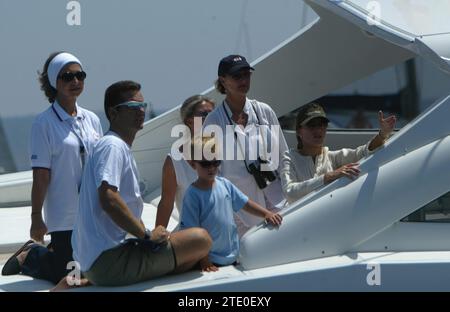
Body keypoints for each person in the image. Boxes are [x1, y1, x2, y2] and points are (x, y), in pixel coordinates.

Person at [71, 80, 212, 287]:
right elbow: (108, 198)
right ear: (114, 113)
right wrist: (146, 235)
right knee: (201, 240)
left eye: (142, 106)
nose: (141, 111)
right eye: (133, 107)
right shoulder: (113, 146)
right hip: (109, 262)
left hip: (98, 260)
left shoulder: (112, 145)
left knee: (190, 249)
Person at [1, 52, 103, 285]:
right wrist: (36, 217)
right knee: (68, 276)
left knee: (93, 269)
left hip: (92, 211)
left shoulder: (92, 119)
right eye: (67, 77)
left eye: (80, 75)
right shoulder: (43, 124)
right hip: (64, 215)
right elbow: (41, 176)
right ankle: (32, 255)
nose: (75, 81)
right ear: (54, 82)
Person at [203, 55, 288, 234]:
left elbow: (284, 156)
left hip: (278, 200)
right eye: (237, 76)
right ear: (223, 81)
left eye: (246, 74)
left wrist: (291, 191)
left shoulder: (264, 111)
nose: (243, 80)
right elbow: (211, 172)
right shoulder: (213, 121)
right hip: (239, 211)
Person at [180, 137, 282, 272]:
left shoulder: (225, 184)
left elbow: (245, 203)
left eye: (215, 162)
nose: (211, 168)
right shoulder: (192, 195)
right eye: (205, 164)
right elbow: (192, 233)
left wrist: (266, 214)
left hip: (233, 255)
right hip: (209, 261)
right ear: (193, 164)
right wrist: (204, 259)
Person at [280, 102, 396, 204]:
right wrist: (328, 176)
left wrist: (383, 135)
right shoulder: (289, 158)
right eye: (312, 125)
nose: (318, 130)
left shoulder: (333, 157)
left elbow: (363, 152)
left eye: (322, 125)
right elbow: (290, 193)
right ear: (299, 131)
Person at [155, 95, 215, 228]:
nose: (210, 117)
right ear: (189, 121)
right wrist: (156, 241)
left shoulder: (227, 151)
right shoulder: (175, 160)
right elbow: (166, 203)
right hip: (193, 237)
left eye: (213, 113)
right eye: (204, 114)